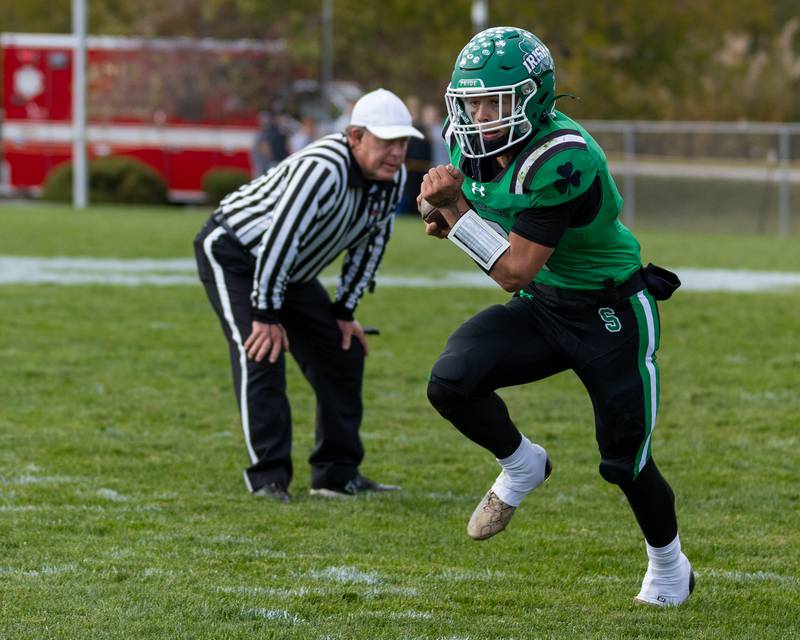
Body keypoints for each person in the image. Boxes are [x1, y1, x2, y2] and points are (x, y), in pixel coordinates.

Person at [418, 27, 693, 607]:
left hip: (610, 310)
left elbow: (514, 266)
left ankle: (669, 565)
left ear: (533, 98)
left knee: (624, 461)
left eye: (493, 102)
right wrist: (447, 211)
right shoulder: (473, 142)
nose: (477, 116)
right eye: (470, 102)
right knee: (451, 381)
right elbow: (483, 225)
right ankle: (522, 464)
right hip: (546, 304)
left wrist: (455, 212)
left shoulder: (561, 158)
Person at [195, 88, 424, 502]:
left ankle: (335, 474)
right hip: (236, 254)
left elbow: (371, 245)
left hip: (288, 269)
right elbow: (281, 238)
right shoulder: (322, 168)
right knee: (261, 352)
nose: (397, 152)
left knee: (344, 350)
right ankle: (269, 477)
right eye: (386, 141)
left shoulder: (393, 180)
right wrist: (266, 314)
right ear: (355, 137)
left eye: (403, 142)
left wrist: (343, 309)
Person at [250, 109, 289, 177]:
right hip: (265, 163)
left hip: (267, 162)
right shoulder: (265, 133)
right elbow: (264, 149)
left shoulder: (267, 132)